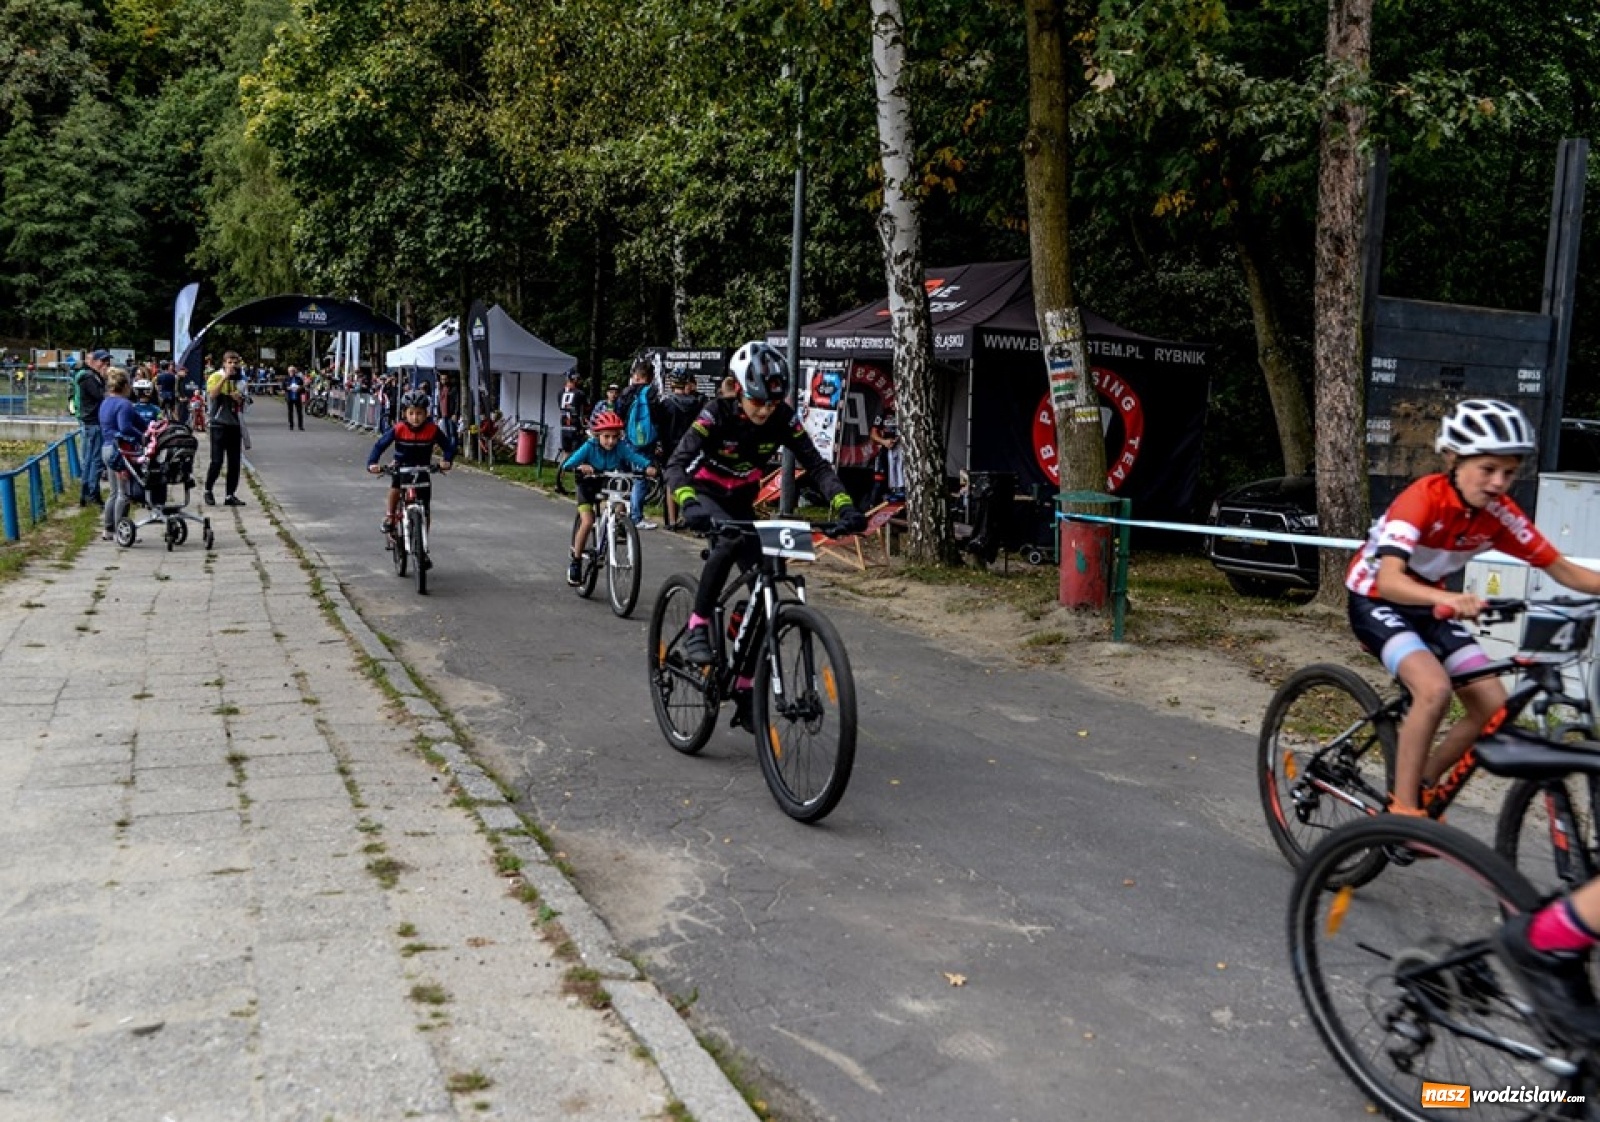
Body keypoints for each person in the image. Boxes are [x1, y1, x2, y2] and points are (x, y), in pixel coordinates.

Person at [1344, 399, 1600, 816]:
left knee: (1494, 706)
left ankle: (1422, 783)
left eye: (1509, 473)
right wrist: (1446, 598)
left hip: (1428, 604)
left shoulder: (1499, 516)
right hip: (1375, 597)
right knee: (1434, 690)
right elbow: (1389, 580)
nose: (1499, 483)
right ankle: (1402, 813)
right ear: (1454, 459)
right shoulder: (1421, 499)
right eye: (1488, 469)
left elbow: (1564, 570)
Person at [665, 341, 866, 683]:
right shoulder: (716, 413)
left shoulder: (783, 418)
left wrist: (845, 505)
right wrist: (688, 503)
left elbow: (817, 466)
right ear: (738, 389)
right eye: (757, 401)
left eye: (773, 403)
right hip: (706, 495)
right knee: (728, 542)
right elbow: (676, 464)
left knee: (769, 577)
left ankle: (745, 685)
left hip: (742, 500)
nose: (765, 411)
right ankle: (698, 625)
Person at [559, 412, 657, 586]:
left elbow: (635, 458)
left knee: (620, 506)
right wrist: (581, 466)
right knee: (587, 521)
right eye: (606, 437)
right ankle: (576, 561)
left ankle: (618, 528)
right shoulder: (589, 446)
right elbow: (567, 464)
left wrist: (648, 466)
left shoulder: (620, 447)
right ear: (597, 435)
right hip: (587, 486)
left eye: (615, 437)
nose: (611, 441)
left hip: (606, 483)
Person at [366, 389, 455, 535]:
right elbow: (380, 445)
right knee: (395, 487)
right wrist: (372, 463)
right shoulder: (399, 428)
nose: (415, 418)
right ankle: (390, 516)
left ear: (426, 414)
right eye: (411, 413)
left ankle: (423, 542)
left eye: (419, 413)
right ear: (404, 414)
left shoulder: (432, 430)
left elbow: (448, 447)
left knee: (426, 509)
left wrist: (447, 461)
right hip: (401, 466)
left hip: (423, 468)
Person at [96, 367, 148, 541]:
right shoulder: (124, 404)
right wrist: (142, 437)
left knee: (113, 492)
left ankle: (108, 529)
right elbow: (125, 427)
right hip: (120, 450)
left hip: (106, 447)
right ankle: (122, 530)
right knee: (123, 493)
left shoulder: (105, 402)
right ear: (126, 386)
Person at [655, 367, 704, 529]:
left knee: (671, 481)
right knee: (692, 482)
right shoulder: (697, 403)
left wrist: (659, 445)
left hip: (670, 447)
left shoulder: (666, 404)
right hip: (692, 447)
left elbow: (660, 427)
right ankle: (691, 518)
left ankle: (672, 520)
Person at [617, 359, 661, 529]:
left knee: (624, 475)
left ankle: (619, 513)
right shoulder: (651, 393)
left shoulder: (626, 392)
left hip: (627, 438)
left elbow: (618, 413)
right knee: (641, 478)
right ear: (650, 377)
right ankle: (636, 517)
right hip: (646, 441)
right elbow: (657, 417)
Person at [203, 352, 248, 506]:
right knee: (217, 461)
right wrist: (225, 378)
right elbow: (212, 394)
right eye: (230, 362)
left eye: (235, 362)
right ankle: (208, 490)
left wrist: (239, 399)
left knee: (234, 462)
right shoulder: (216, 376)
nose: (233, 365)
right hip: (218, 423)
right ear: (224, 363)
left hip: (234, 424)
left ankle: (230, 495)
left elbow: (245, 402)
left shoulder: (241, 380)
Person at [73, 349, 110, 506]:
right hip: (92, 422)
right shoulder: (89, 377)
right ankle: (91, 493)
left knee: (91, 459)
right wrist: (105, 379)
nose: (105, 365)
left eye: (107, 362)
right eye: (103, 361)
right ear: (94, 362)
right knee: (93, 460)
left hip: (93, 422)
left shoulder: (92, 376)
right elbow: (101, 396)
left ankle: (87, 493)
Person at [868, 405, 903, 507]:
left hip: (902, 451)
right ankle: (873, 506)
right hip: (886, 451)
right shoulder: (884, 413)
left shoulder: (906, 411)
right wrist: (884, 441)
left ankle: (898, 494)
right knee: (879, 483)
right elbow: (873, 434)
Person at [559, 371, 590, 455]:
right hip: (575, 424)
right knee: (576, 451)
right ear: (575, 380)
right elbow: (587, 408)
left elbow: (560, 407)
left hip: (564, 425)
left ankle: (564, 463)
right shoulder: (580, 393)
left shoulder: (560, 393)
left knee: (566, 451)